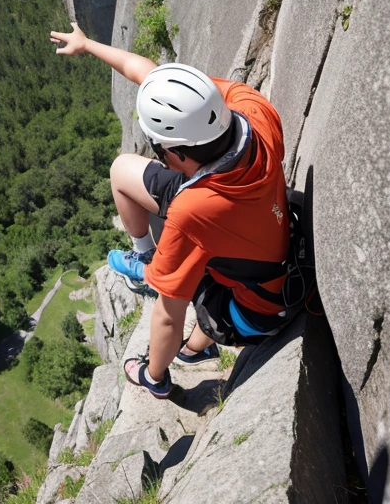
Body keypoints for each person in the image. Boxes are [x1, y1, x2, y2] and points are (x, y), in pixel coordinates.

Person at [50, 22, 291, 399]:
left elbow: (167, 315)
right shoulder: (250, 106)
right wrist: (88, 44)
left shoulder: (192, 212)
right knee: (121, 171)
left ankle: (196, 348)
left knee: (192, 295)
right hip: (252, 220)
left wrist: (153, 374)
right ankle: (147, 260)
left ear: (175, 152)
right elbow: (148, 74)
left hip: (259, 309)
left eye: (156, 145)